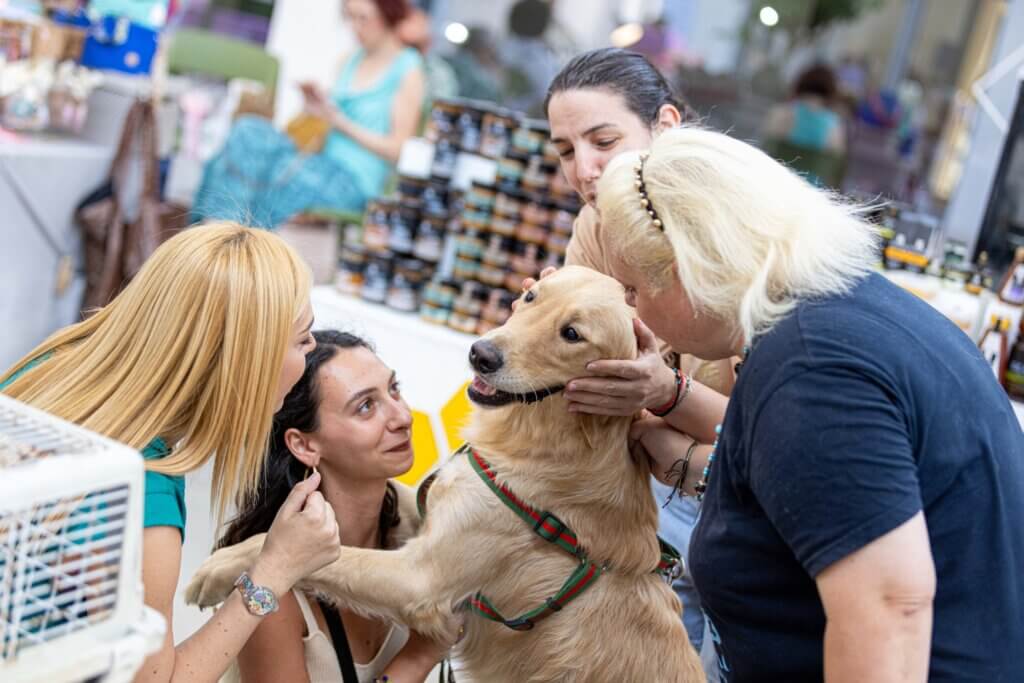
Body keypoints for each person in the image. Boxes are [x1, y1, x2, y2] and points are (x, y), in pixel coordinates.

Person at [599, 126, 1024, 681]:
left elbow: (889, 610)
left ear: (690, 272)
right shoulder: (842, 314)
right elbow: (815, 496)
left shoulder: (811, 368)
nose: (633, 308)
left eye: (633, 289)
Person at [0, 223, 341, 683]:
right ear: (248, 360)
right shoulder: (146, 496)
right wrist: (275, 571)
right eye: (302, 339)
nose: (314, 350)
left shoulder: (57, 365)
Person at [539, 47, 731, 655]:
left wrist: (660, 404)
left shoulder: (734, 237)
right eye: (567, 151)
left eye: (604, 140)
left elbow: (758, 444)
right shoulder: (593, 227)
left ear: (666, 127)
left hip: (727, 511)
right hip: (629, 492)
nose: (585, 170)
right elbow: (584, 394)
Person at [219, 330, 446, 682]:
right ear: (304, 445)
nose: (402, 416)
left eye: (394, 389)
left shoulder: (422, 531)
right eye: (366, 406)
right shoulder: (272, 590)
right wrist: (419, 656)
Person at [193, 0, 426, 228]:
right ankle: (224, 233)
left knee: (237, 166)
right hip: (318, 161)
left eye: (363, 18)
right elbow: (326, 126)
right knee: (248, 130)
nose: (355, 26)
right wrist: (315, 108)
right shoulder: (350, 59)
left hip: (353, 182)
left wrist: (339, 122)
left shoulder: (408, 68)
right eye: (349, 17)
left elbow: (399, 151)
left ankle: (217, 236)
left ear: (388, 13)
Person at [763, 63, 846, 155]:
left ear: (800, 83)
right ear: (831, 90)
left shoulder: (782, 113)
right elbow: (833, 159)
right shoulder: (834, 125)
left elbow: (767, 145)